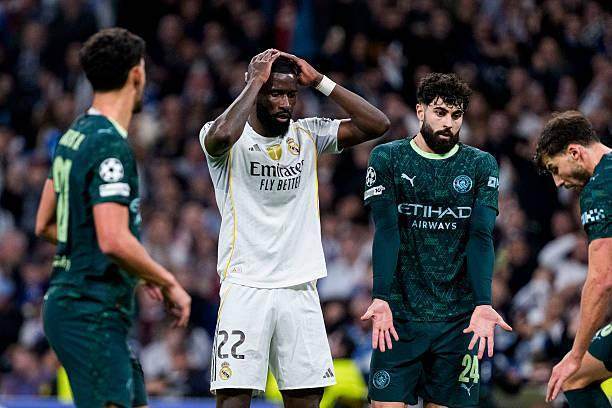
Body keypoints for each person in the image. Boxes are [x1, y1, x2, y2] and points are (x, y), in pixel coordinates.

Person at [199, 48, 389, 407]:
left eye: (291, 94)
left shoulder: (308, 134)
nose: (286, 103)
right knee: (233, 399)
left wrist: (320, 82)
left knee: (306, 400)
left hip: (299, 287)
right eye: (275, 93)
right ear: (256, 91)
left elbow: (376, 124)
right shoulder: (224, 136)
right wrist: (255, 81)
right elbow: (220, 137)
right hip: (245, 286)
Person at [35, 28, 191, 408]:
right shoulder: (109, 145)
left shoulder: (74, 135)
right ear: (136, 74)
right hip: (90, 311)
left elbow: (46, 223)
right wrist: (167, 280)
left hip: (81, 307)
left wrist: (135, 268)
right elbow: (112, 239)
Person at [361, 73, 512, 408]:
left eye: (456, 115)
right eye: (440, 113)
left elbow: (480, 236)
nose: (448, 123)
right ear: (420, 110)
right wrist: (380, 296)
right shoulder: (387, 158)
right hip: (399, 318)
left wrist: (483, 303)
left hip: (458, 321)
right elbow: (386, 231)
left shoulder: (480, 164)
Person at [534, 110, 612, 407]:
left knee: (572, 375)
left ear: (575, 152)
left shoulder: (600, 187)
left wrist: (575, 354)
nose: (557, 182)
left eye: (555, 169)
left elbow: (602, 279)